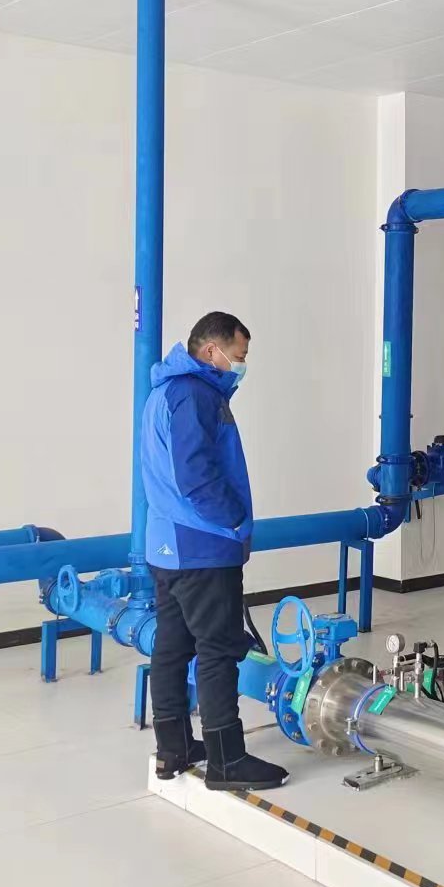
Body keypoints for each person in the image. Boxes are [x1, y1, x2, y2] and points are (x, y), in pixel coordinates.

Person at [144, 311, 287, 792]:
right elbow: (197, 477)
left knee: (172, 647)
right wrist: (234, 519)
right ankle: (227, 760)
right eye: (238, 356)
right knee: (218, 650)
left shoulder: (164, 391)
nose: (240, 365)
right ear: (212, 351)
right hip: (202, 547)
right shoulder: (196, 395)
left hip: (167, 546)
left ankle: (174, 749)